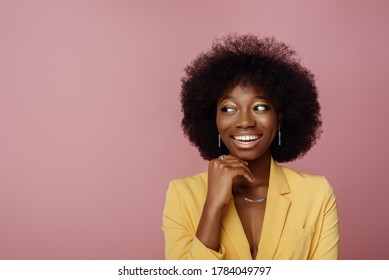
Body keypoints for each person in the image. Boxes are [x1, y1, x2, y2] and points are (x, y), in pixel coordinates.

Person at [162, 33, 339, 260]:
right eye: (228, 109)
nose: (245, 121)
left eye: (260, 107)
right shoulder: (182, 194)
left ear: (280, 119)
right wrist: (213, 206)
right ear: (212, 119)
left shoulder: (316, 193)